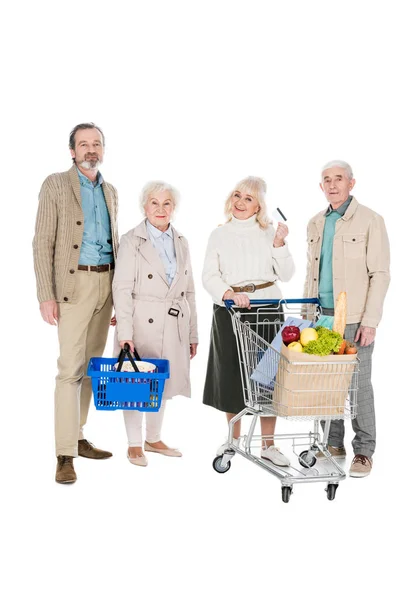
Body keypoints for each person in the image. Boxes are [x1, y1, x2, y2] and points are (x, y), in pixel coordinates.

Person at [33, 123, 119, 484]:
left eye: (96, 143)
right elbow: (42, 242)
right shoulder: (56, 184)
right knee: (69, 369)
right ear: (72, 151)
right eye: (83, 144)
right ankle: (64, 454)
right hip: (73, 285)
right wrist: (45, 294)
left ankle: (80, 436)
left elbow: (116, 241)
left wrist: (120, 298)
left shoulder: (110, 190)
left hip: (107, 284)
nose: (90, 149)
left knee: (91, 368)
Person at [304, 160, 390, 477]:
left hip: (353, 318)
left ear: (351, 183)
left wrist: (371, 321)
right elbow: (312, 273)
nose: (332, 184)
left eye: (338, 178)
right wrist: (305, 317)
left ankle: (364, 452)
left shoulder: (370, 220)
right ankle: (332, 443)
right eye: (326, 179)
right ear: (321, 186)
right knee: (326, 386)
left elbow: (380, 274)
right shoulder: (315, 223)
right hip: (320, 317)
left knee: (357, 387)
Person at [202, 176, 295, 466]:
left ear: (259, 206)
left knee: (268, 377)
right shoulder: (219, 234)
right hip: (230, 310)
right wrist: (228, 292)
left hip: (267, 307)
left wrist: (280, 244)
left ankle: (268, 445)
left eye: (249, 199)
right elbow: (209, 276)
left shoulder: (269, 233)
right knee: (231, 376)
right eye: (237, 196)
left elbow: (288, 274)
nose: (240, 203)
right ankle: (233, 440)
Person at [112, 181, 198, 466]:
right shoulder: (131, 240)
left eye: (166, 203)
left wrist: (192, 332)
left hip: (174, 322)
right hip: (140, 320)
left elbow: (189, 290)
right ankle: (134, 444)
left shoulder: (181, 241)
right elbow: (122, 288)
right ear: (144, 207)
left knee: (161, 381)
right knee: (135, 382)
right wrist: (125, 332)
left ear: (173, 208)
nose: (160, 209)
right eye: (154, 203)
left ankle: (154, 437)